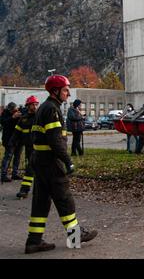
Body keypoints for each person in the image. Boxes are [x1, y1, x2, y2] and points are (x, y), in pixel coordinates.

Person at [25, 75, 97, 254]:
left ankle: (33, 241)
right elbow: (55, 141)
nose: (68, 93)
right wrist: (68, 161)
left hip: (39, 161)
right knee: (65, 200)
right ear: (55, 91)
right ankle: (75, 237)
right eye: (65, 90)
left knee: (41, 202)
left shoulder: (44, 107)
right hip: (50, 163)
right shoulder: (52, 109)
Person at [8, 96, 40, 199]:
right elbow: (17, 131)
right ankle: (24, 190)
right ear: (28, 105)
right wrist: (12, 142)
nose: (35, 106)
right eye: (33, 104)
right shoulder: (24, 118)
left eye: (36, 104)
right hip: (29, 148)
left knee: (40, 170)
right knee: (29, 169)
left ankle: (29, 190)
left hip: (40, 148)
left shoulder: (39, 117)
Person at [1, 102, 23, 183]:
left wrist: (20, 116)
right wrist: (12, 117)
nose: (14, 111)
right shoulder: (5, 113)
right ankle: (3, 175)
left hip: (19, 139)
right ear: (9, 109)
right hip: (9, 140)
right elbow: (3, 122)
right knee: (8, 157)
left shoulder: (20, 112)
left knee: (17, 157)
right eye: (12, 110)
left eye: (15, 110)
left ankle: (15, 174)